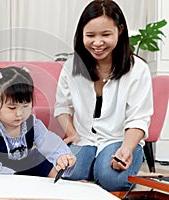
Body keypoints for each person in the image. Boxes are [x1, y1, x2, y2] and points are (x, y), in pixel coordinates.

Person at [54, 0, 153, 192]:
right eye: (90, 35)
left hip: (119, 139)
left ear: (120, 30)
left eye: (106, 35)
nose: (97, 43)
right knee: (69, 174)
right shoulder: (72, 66)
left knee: (110, 178)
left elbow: (139, 119)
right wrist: (73, 134)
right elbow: (62, 107)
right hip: (84, 139)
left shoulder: (137, 69)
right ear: (81, 34)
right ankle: (93, 166)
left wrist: (126, 149)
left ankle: (103, 166)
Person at [0, 66, 76, 177]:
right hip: (1, 172)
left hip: (25, 165)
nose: (19, 114)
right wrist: (18, 179)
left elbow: (50, 143)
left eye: (25, 106)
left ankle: (62, 186)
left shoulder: (32, 123)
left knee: (42, 161)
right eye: (12, 108)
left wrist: (63, 157)